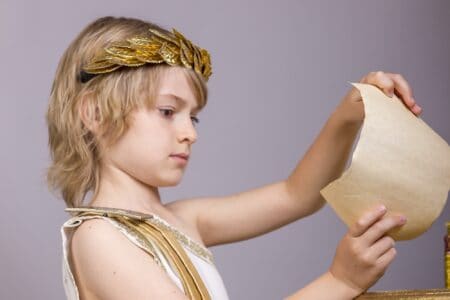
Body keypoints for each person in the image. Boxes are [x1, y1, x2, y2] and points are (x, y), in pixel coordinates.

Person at [46, 16, 422, 300]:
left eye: (192, 116)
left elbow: (298, 195)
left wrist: (351, 112)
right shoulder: (98, 238)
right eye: (167, 111)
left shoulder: (182, 220)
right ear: (94, 114)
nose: (190, 132)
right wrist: (341, 281)